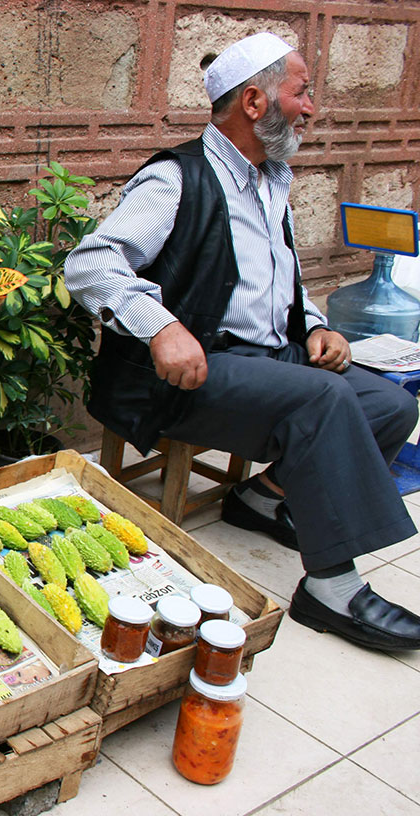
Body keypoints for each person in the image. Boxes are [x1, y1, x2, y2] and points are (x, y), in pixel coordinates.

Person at [65, 32, 420, 651]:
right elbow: (90, 265)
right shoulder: (176, 178)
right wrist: (162, 327)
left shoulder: (272, 178)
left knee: (393, 405)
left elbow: (282, 280)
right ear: (255, 102)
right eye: (301, 92)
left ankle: (264, 498)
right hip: (195, 371)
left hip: (270, 358)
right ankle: (332, 589)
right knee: (325, 401)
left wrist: (316, 327)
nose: (310, 108)